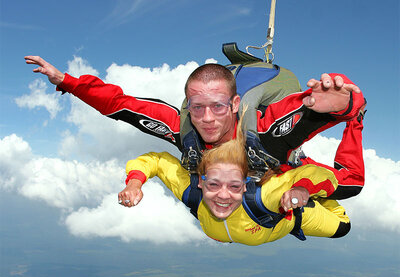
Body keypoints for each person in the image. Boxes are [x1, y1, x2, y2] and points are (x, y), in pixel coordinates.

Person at [24, 56, 366, 198]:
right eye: (197, 106)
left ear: (234, 105)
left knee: (349, 185)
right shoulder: (181, 128)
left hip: (273, 167)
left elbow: (305, 111)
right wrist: (67, 81)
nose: (205, 118)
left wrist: (345, 105)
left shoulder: (264, 131)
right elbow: (120, 104)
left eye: (218, 107)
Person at [118, 110, 354, 245]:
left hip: (291, 213)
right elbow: (157, 161)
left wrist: (302, 191)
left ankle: (311, 200)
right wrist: (135, 182)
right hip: (263, 222)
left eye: (233, 185)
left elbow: (321, 175)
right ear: (200, 181)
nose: (222, 195)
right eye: (213, 184)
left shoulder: (267, 196)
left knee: (343, 227)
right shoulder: (192, 191)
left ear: (245, 185)